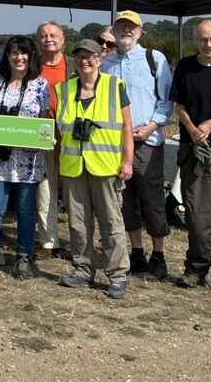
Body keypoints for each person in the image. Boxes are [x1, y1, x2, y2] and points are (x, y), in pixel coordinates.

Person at [56, 39, 134, 299]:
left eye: (90, 57)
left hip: (106, 167)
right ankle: (82, 270)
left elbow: (126, 127)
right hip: (73, 167)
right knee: (78, 224)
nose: (84, 61)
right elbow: (57, 130)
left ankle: (118, 275)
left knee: (111, 223)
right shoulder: (64, 89)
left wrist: (127, 162)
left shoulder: (115, 86)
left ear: (100, 59)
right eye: (79, 57)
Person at [0, 35, 50, 280]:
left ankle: (24, 258)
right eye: (14, 53)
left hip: (29, 161)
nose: (19, 57)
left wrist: (46, 139)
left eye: (24, 53)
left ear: (31, 56)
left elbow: (45, 118)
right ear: (7, 56)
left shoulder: (41, 85)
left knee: (25, 210)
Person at [101, 10, 172, 283]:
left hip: (147, 143)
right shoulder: (106, 64)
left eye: (131, 27)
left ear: (140, 31)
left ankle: (159, 256)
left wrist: (153, 126)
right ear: (114, 30)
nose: (126, 31)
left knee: (152, 199)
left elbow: (166, 100)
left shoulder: (155, 60)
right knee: (125, 200)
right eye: (121, 26)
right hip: (115, 144)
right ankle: (137, 253)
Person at [169, 19, 211, 289]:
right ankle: (196, 269)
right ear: (195, 41)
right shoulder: (185, 67)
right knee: (196, 213)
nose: (209, 44)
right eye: (203, 39)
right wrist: (193, 129)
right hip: (194, 150)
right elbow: (179, 105)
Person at [34, 21, 75, 259]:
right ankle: (49, 242)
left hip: (72, 136)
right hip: (43, 134)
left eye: (53, 35)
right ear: (38, 40)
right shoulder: (32, 65)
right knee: (45, 191)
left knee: (74, 193)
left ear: (62, 40)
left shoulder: (74, 64)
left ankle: (79, 241)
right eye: (43, 35)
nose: (48, 38)